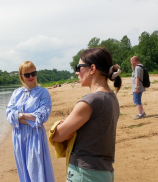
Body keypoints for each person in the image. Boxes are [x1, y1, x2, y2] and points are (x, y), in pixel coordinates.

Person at [51, 47, 122, 182]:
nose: (77, 72)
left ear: (92, 69)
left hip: (84, 173)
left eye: (79, 67)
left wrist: (62, 126)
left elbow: (58, 135)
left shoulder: (90, 101)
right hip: (104, 171)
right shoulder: (112, 97)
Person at [6, 61, 55, 182]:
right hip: (18, 136)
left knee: (36, 169)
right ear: (21, 76)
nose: (31, 77)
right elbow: (9, 115)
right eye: (27, 75)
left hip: (35, 136)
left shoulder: (43, 93)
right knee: (23, 169)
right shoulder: (16, 93)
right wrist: (28, 118)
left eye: (33, 73)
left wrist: (20, 116)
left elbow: (42, 115)